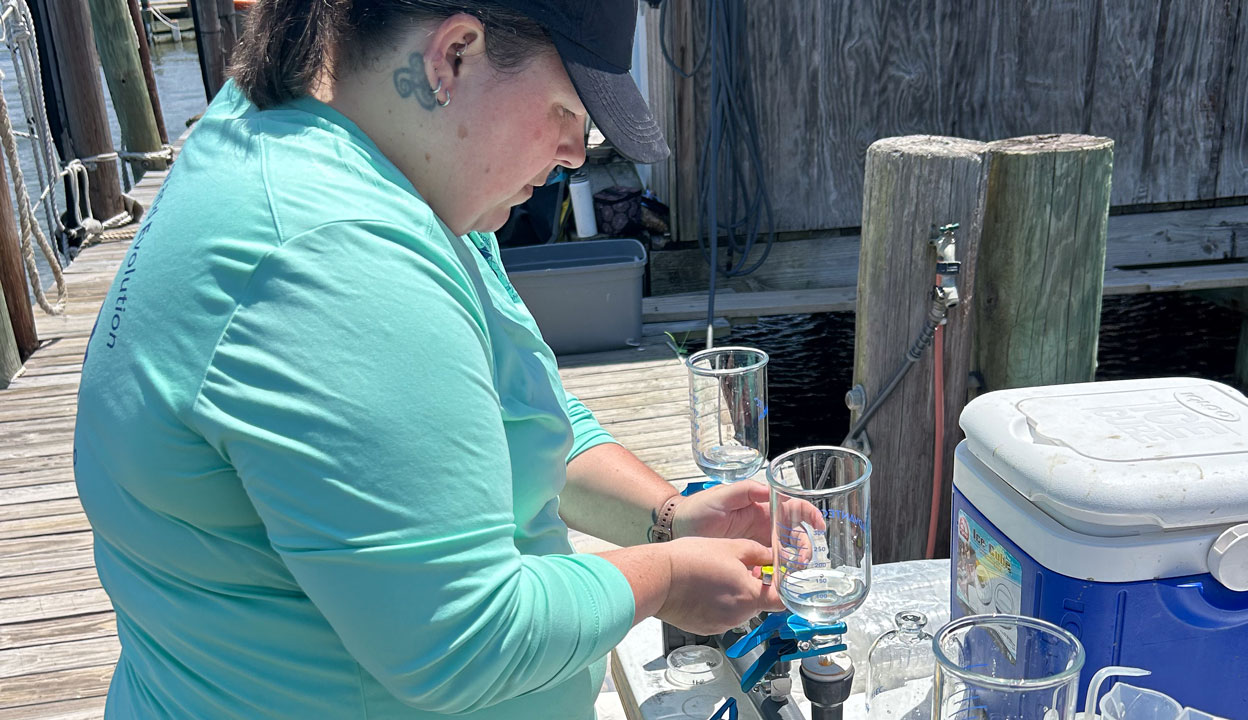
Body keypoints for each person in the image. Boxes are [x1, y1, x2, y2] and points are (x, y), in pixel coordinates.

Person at [72, 1, 783, 718]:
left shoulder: (330, 143)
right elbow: (463, 643)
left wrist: (667, 519)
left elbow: (509, 408)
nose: (577, 151)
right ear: (454, 55)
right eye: (570, 109)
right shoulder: (337, 258)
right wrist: (661, 579)